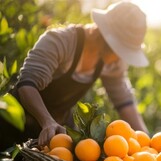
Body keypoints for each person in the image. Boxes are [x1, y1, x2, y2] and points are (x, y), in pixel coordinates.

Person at [0, 1, 149, 150]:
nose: (120, 58)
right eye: (120, 51)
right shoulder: (60, 41)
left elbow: (124, 102)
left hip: (57, 132)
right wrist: (47, 121)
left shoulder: (112, 62)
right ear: (104, 38)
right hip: (15, 121)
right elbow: (27, 84)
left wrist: (147, 143)